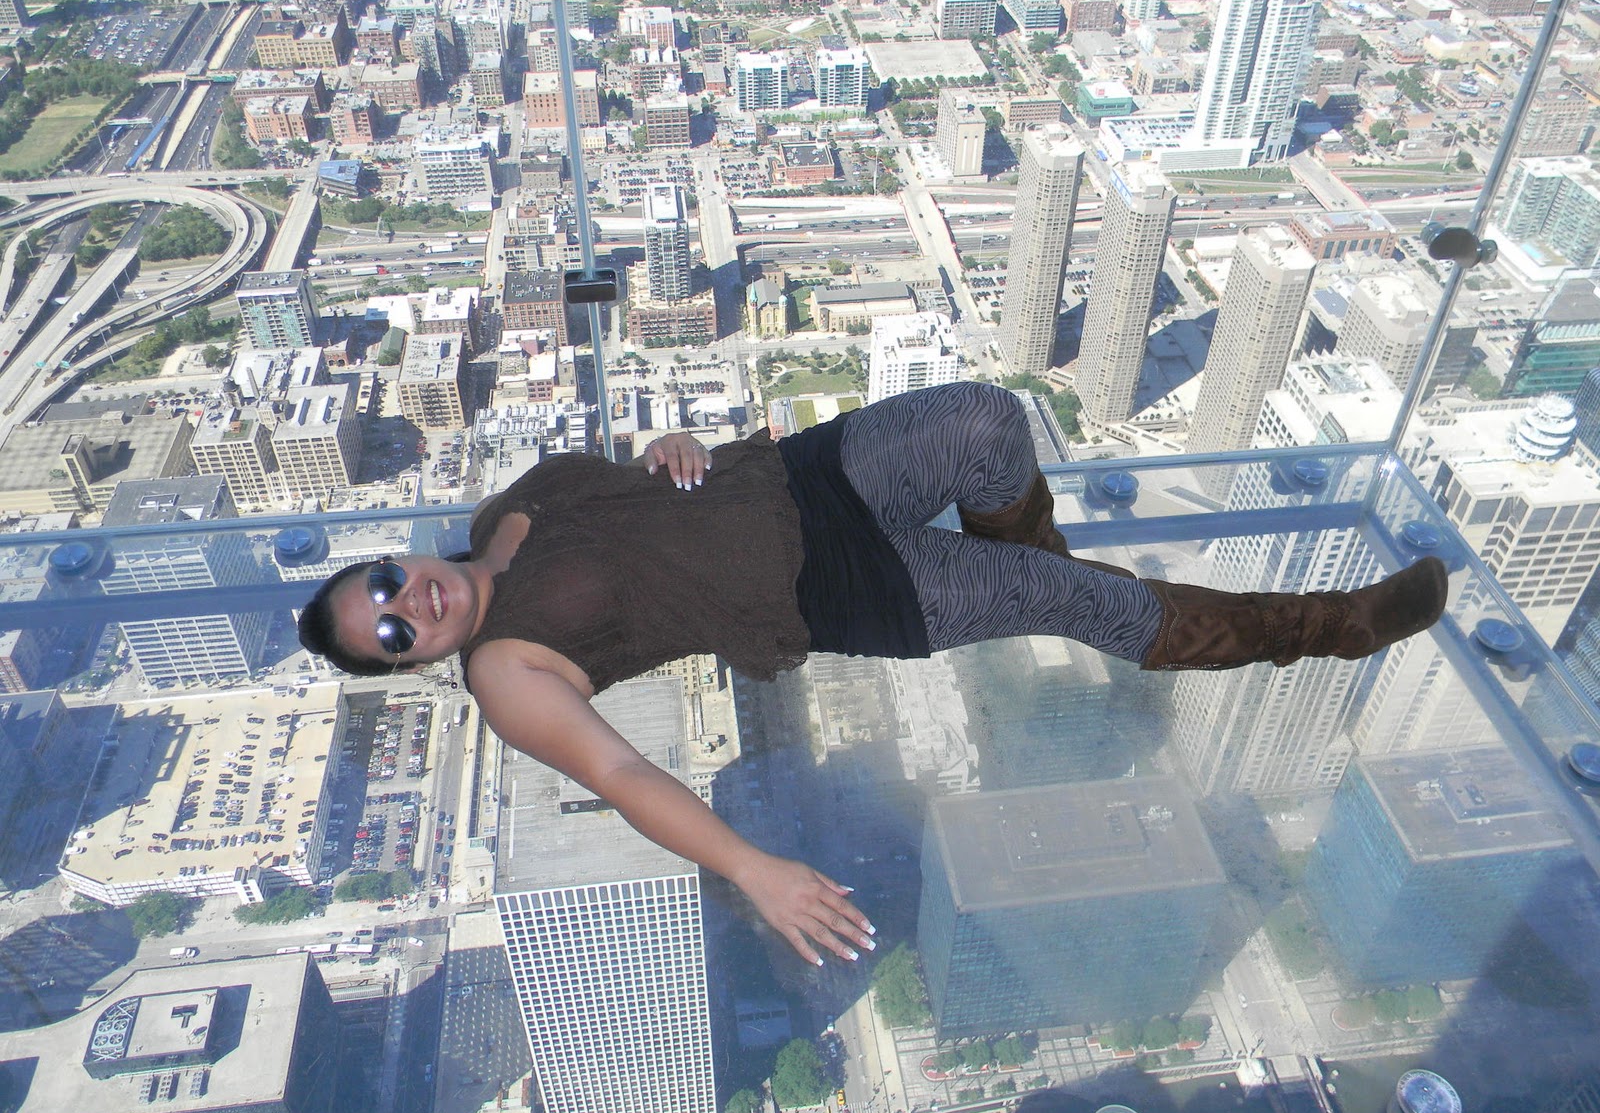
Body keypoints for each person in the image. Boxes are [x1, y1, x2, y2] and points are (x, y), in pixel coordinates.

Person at [299, 382, 1447, 966]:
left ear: (393, 558)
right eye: (391, 635)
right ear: (414, 662)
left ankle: (1039, 576)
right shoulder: (506, 673)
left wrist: (665, 452)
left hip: (798, 475)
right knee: (1080, 600)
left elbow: (637, 504)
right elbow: (622, 776)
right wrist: (749, 868)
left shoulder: (504, 512)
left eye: (383, 585)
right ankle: (1335, 626)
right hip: (833, 590)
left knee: (988, 423)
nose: (409, 606)